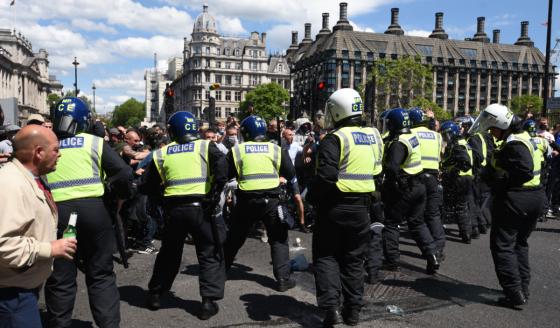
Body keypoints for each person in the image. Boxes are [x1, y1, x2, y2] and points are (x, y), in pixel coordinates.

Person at [44, 97, 132, 328]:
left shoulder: (46, 143)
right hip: (94, 211)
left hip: (58, 214)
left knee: (60, 277)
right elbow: (123, 173)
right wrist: (115, 197)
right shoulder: (94, 142)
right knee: (101, 274)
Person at [143, 111, 227, 320]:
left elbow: (149, 185)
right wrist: (214, 193)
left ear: (172, 131)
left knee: (169, 253)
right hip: (202, 208)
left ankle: (156, 294)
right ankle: (208, 302)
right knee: (208, 252)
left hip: (174, 211)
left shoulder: (162, 153)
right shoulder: (206, 146)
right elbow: (223, 168)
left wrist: (162, 202)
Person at [306, 88, 377, 326]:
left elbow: (326, 176)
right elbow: (378, 171)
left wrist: (311, 199)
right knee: (354, 260)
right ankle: (353, 311)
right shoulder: (373, 136)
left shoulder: (335, 138)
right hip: (362, 209)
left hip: (335, 207)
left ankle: (331, 309)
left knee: (326, 256)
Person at [470, 104, 546, 308]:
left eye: (492, 128)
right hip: (535, 196)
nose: (491, 132)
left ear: (503, 124)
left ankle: (514, 292)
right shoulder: (525, 138)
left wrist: (500, 183)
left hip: (517, 198)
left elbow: (525, 171)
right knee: (519, 243)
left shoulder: (514, 143)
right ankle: (522, 289)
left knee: (503, 245)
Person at [0, 125, 77, 328]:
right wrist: (50, 248)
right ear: (39, 153)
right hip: (12, 295)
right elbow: (4, 245)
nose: (59, 155)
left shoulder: (28, 178)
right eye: (55, 149)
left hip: (22, 289)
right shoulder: (11, 184)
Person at [224, 115, 297, 292]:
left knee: (234, 238)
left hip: (246, 200)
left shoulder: (237, 150)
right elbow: (290, 172)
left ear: (245, 132)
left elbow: (225, 174)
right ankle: (282, 280)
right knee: (278, 239)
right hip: (271, 200)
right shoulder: (275, 149)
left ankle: (221, 270)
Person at [381, 108, 439, 274]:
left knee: (391, 222)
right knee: (417, 223)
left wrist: (392, 184)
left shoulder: (399, 143)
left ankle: (392, 260)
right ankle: (432, 256)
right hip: (418, 185)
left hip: (405, 187)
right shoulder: (411, 136)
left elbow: (392, 168)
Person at [410, 107, 445, 261]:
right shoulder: (437, 136)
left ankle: (429, 249)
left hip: (417, 176)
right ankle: (439, 248)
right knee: (433, 214)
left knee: (416, 217)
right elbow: (441, 154)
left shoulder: (411, 134)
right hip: (432, 177)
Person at [440, 121, 475, 243]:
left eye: (447, 134)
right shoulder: (463, 142)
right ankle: (466, 232)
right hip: (466, 178)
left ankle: (466, 234)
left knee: (458, 206)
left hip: (459, 178)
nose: (446, 137)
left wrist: (452, 170)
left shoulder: (458, 145)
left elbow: (465, 162)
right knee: (463, 205)